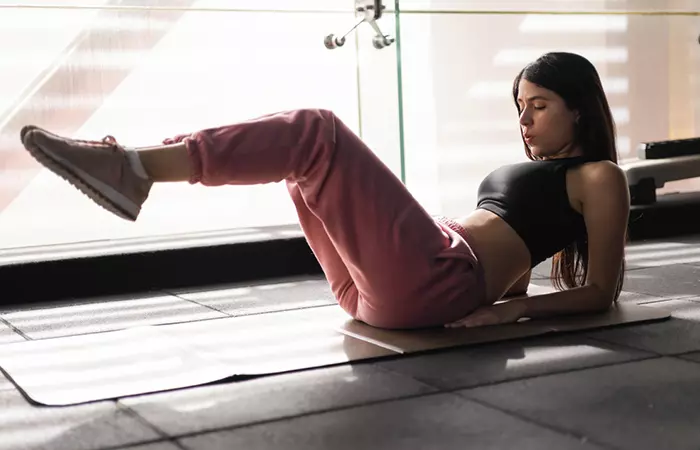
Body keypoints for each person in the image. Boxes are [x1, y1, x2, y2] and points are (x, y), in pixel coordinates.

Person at [18, 52, 629, 330]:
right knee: (297, 161)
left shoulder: (600, 176)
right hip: (385, 289)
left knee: (316, 132)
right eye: (519, 108)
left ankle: (132, 168)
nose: (523, 122)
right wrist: (501, 298)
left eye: (539, 106)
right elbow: (516, 258)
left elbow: (601, 291)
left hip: (437, 278)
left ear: (579, 109)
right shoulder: (534, 176)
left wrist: (514, 310)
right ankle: (134, 166)